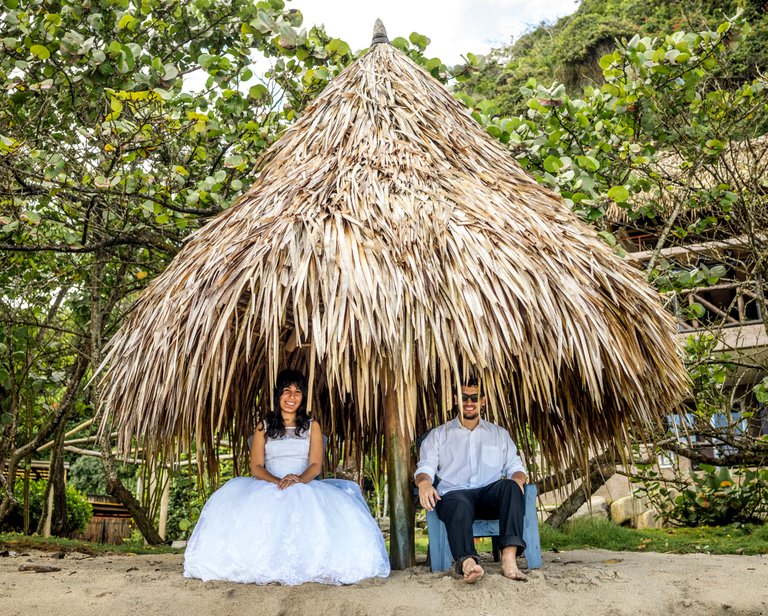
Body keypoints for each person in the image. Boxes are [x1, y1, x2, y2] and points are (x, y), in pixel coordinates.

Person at [184, 369, 390, 585]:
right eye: (286, 391)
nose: (292, 397)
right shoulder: (263, 426)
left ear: (302, 398)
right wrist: (277, 481)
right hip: (268, 484)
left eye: (297, 392)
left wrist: (298, 479)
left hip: (304, 483)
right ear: (278, 395)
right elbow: (256, 467)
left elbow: (315, 465)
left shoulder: (313, 426)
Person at [415, 376, 528, 583]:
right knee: (459, 502)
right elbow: (425, 468)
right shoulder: (439, 435)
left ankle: (509, 558)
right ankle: (468, 562)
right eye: (465, 397)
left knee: (511, 486)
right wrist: (424, 483)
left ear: (482, 400)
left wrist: (518, 480)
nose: (469, 402)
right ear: (456, 399)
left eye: (474, 397)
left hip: (488, 497)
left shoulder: (499, 434)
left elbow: (516, 468)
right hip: (454, 497)